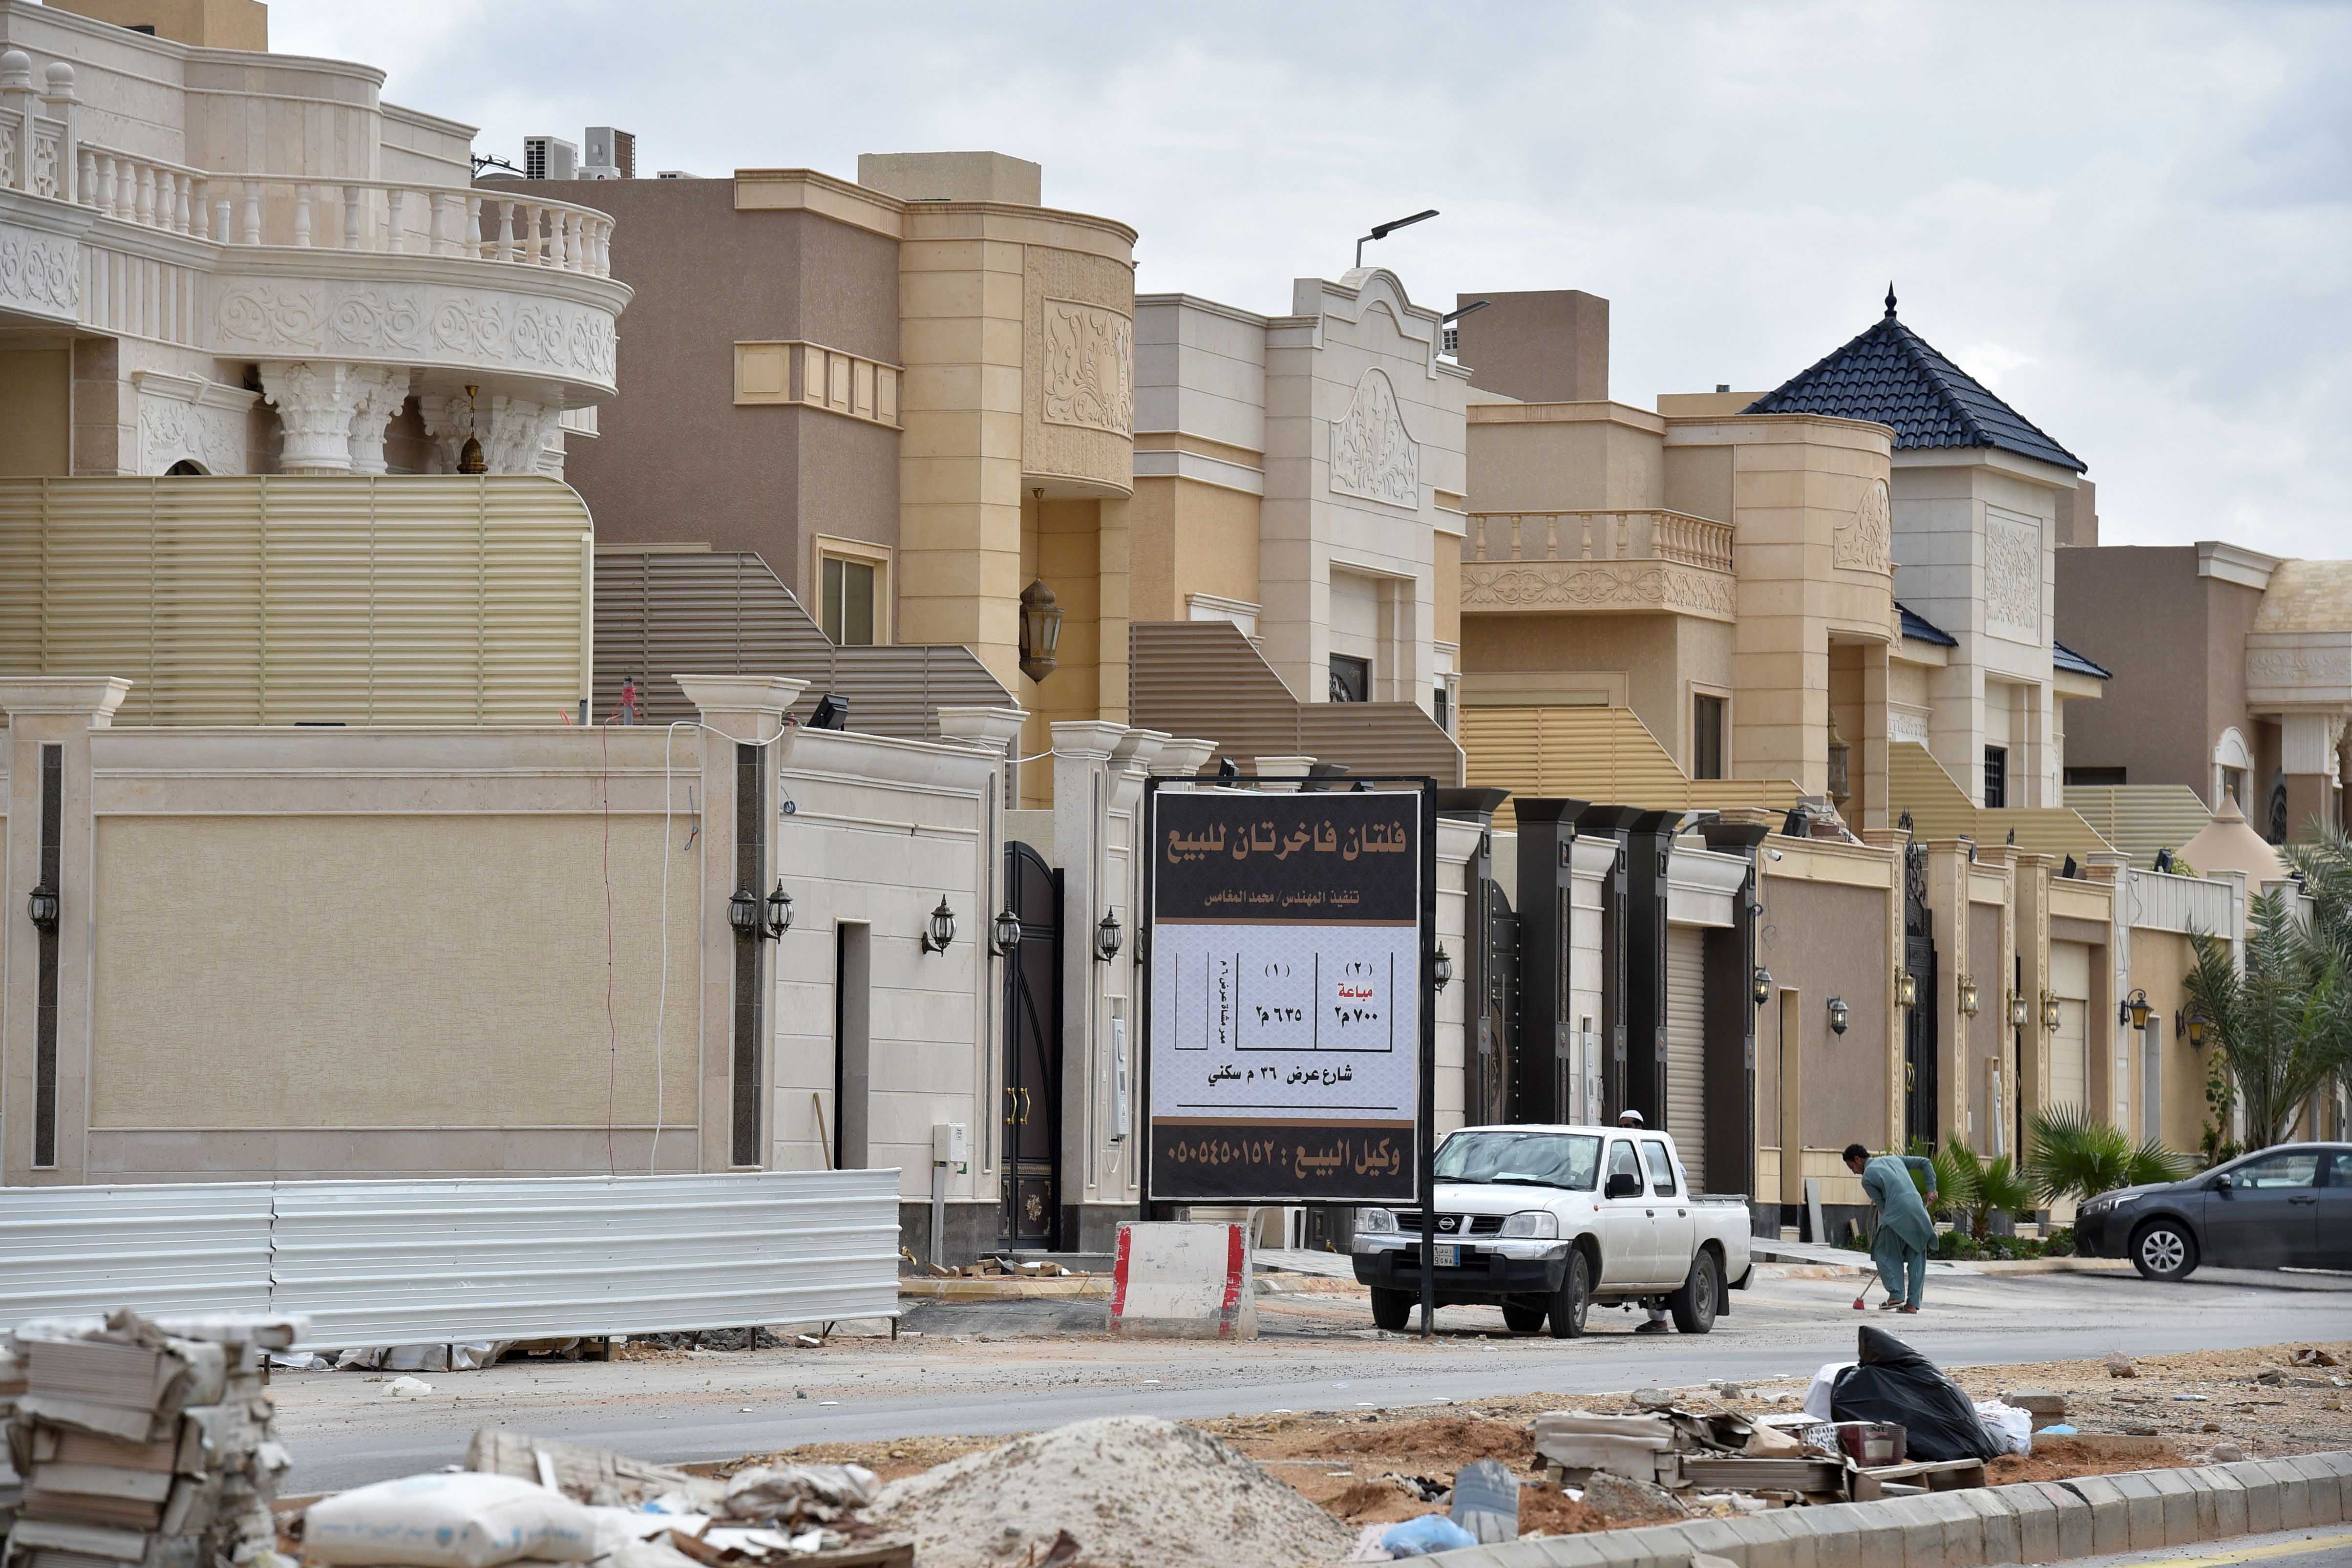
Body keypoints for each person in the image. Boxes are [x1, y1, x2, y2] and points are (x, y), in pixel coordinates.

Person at [1845, 1142, 1937, 1314]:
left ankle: (1896, 1294)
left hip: (1896, 1212)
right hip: (1918, 1209)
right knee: (1917, 1253)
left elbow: (1883, 1207)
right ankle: (1912, 1305)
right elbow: (1925, 1162)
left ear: (1857, 1159)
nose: (1854, 1172)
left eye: (1852, 1167)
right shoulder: (1894, 1159)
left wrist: (1887, 1226)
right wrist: (1931, 1189)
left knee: (1883, 1251)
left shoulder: (1867, 1178)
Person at [1618, 1108, 1674, 1335]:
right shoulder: (1621, 1152)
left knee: (1657, 1268)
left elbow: (1676, 1174)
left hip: (1660, 1214)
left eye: (1628, 1126)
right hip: (1634, 1214)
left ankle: (1659, 1320)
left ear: (1640, 1127)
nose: (1624, 1130)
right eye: (1621, 1126)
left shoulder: (1653, 1149)